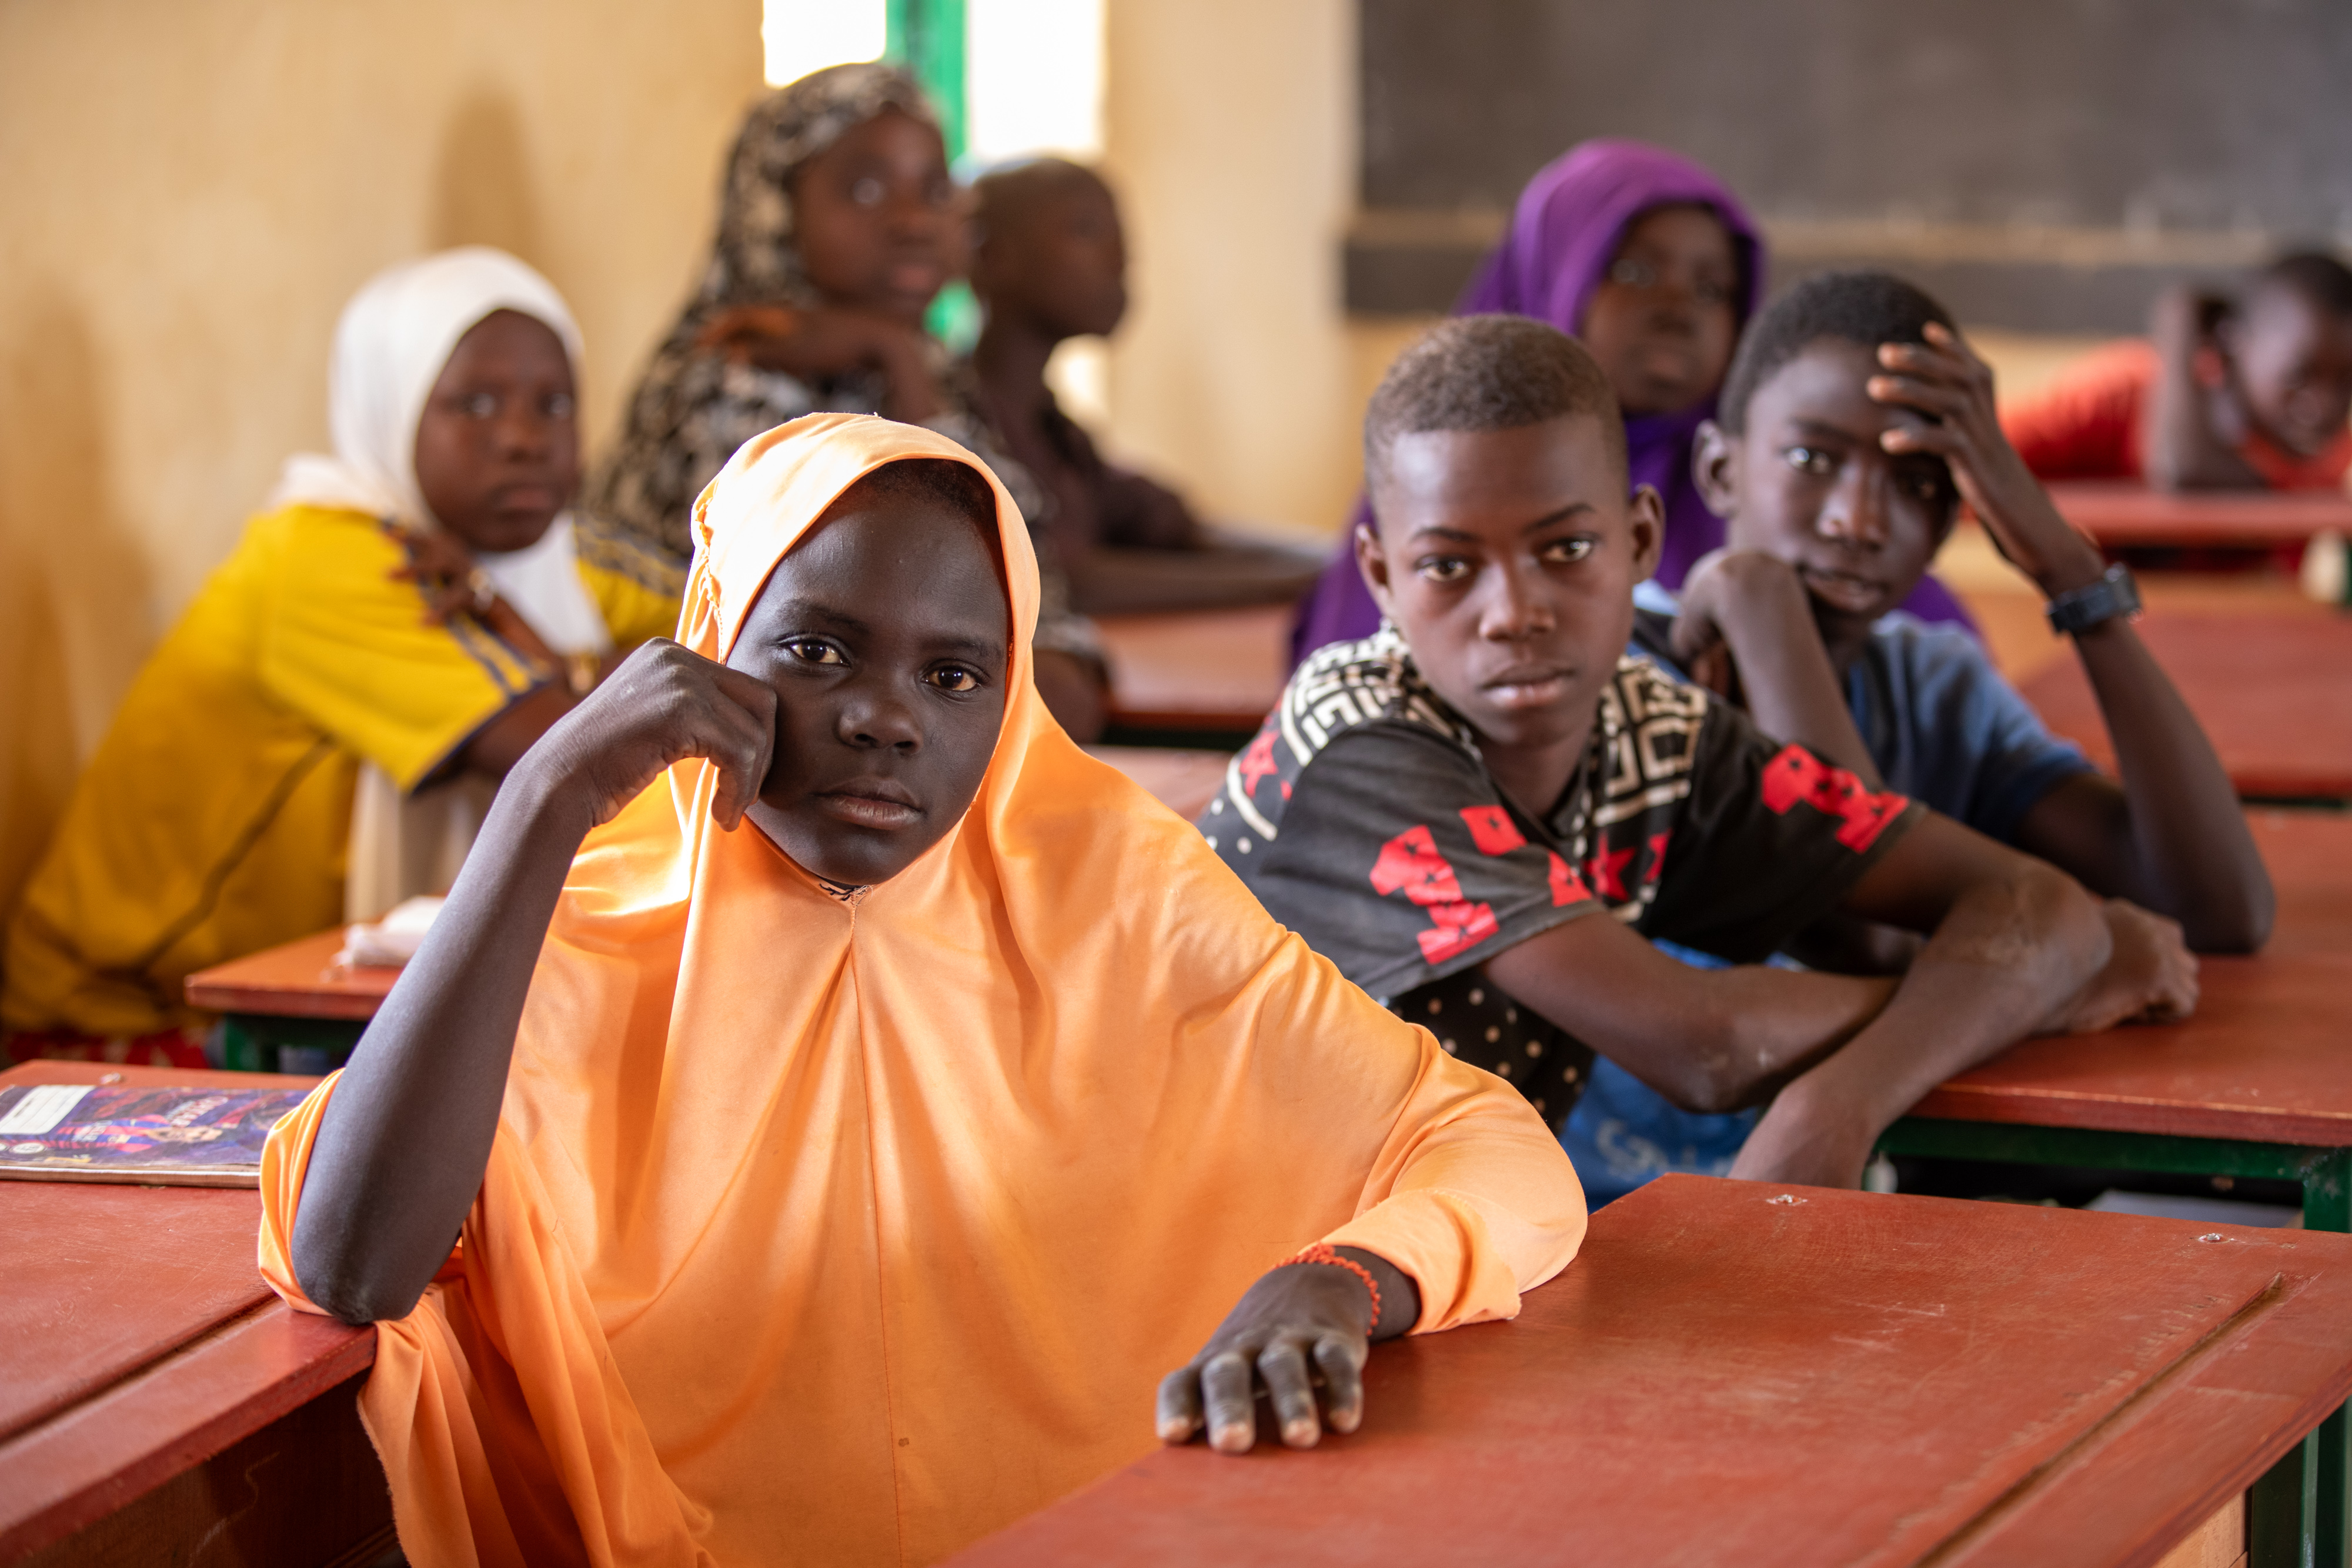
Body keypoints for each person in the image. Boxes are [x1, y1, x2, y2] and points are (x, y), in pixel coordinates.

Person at [260, 413, 1586, 1564]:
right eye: (816, 652)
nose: (885, 717)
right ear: (712, 643)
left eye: (954, 676)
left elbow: (1489, 1145)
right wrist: (544, 798)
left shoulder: (1116, 897)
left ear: (1009, 702)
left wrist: (1347, 1274)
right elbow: (352, 1262)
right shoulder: (587, 924)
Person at [1205, 315, 2197, 1195]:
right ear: (1382, 576)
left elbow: (2034, 901)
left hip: (1412, 1255)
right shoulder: (1359, 745)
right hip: (1204, 1265)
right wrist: (2024, 997)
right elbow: (1705, 1044)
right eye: (1449, 566)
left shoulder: (1654, 731)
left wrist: (1849, 1092)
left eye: (1565, 549)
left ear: (1641, 539)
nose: (1512, 612)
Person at [1584, 272, 2272, 1202]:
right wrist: (1758, 599)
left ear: (1955, 516)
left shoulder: (1931, 682)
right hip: (1601, 1210)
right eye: (1811, 458)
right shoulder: (1620, 678)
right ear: (1719, 470)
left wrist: (2064, 562)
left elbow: (2220, 908)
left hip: (1840, 1199)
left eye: (1915, 484)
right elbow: (1859, 927)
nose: (1859, 519)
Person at [2, 249, 677, 1058]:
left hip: (310, 994)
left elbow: (733, 639)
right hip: (121, 1020)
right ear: (390, 407)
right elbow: (590, 759)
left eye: (555, 404)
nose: (523, 439)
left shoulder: (551, 564)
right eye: (475, 403)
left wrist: (556, 654)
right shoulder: (338, 556)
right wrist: (588, 674)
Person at [1289, 139, 1971, 664]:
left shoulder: (1769, 496)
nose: (1677, 308)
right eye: (1635, 271)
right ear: (1551, 272)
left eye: (1712, 288)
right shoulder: (1437, 487)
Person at [590, 63, 1110, 738]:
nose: (914, 222)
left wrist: (895, 356)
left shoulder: (929, 367)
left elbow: (1028, 592)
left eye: (934, 190)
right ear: (776, 209)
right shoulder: (732, 384)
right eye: (865, 189)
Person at [961, 156, 1324, 613]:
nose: (1121, 257)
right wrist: (1305, 582)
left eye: (1121, 234)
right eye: (1087, 230)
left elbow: (1171, 526)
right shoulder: (958, 425)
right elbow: (1062, 579)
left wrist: (1331, 561)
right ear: (993, 257)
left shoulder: (1057, 434)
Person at [2002, 252, 2352, 491]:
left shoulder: (2330, 455)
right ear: (2233, 340)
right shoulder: (2115, 395)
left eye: (2348, 382)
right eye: (2299, 376)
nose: (2325, 407)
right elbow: (1980, 458)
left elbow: (2197, 474)